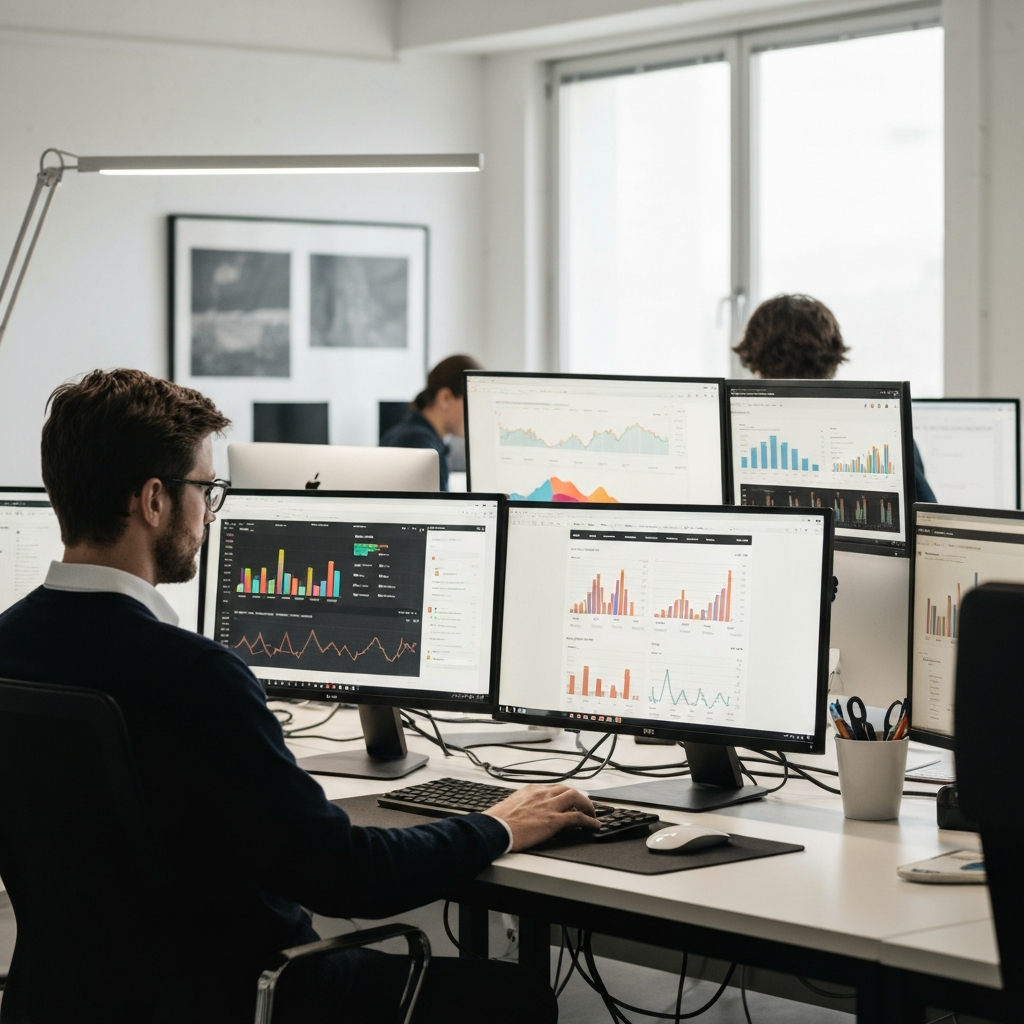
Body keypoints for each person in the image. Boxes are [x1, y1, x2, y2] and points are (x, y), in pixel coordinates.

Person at [0, 369, 597, 1024]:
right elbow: (347, 876)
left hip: (60, 998)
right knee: (514, 997)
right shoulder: (195, 675)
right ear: (153, 501)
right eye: (206, 489)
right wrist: (499, 823)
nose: (210, 510)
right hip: (251, 994)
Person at [733, 294, 937, 502]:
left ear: (756, 363)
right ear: (833, 358)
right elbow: (925, 519)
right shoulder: (886, 437)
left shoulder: (737, 438)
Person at [381, 354, 480, 491]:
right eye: (473, 404)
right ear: (445, 398)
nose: (476, 414)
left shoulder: (410, 434)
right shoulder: (420, 445)